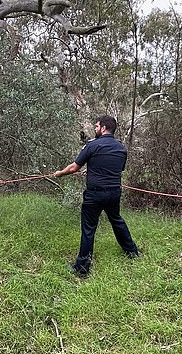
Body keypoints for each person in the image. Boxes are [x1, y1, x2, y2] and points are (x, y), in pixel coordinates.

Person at [54, 115, 139, 278]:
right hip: (114, 192)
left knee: (89, 228)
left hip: (95, 194)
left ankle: (82, 267)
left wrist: (60, 174)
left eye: (96, 126)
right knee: (116, 220)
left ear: (103, 128)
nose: (95, 129)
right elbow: (116, 169)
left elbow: (74, 168)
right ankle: (132, 252)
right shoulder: (121, 148)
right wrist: (93, 169)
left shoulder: (92, 145)